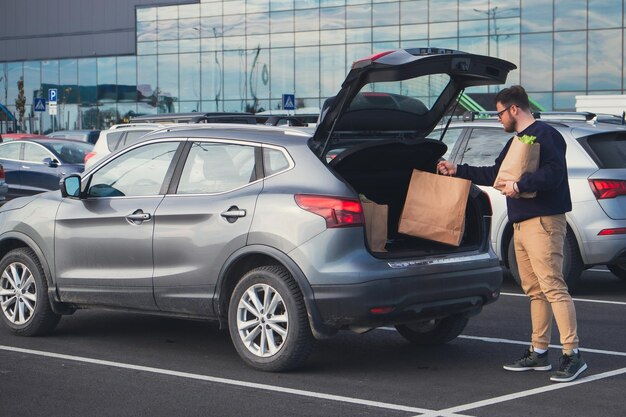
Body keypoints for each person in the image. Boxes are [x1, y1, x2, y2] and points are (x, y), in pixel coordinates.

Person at [437, 85, 587, 383]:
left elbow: (554, 173)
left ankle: (572, 356)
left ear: (514, 109)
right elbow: (496, 174)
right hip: (520, 223)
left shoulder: (546, 135)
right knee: (535, 291)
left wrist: (521, 185)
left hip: (543, 222)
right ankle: (539, 352)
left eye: (499, 112)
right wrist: (458, 169)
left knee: (553, 287)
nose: (498, 119)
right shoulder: (517, 141)